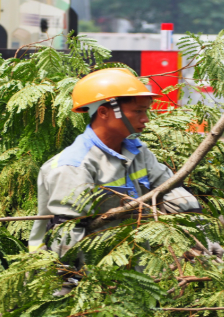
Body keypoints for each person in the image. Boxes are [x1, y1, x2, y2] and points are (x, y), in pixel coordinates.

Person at [28, 68, 203, 260]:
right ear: (104, 112)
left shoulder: (138, 152)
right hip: (87, 275)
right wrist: (76, 281)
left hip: (132, 269)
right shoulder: (74, 165)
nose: (145, 119)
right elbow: (67, 238)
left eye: (145, 111)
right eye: (138, 111)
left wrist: (203, 241)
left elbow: (172, 192)